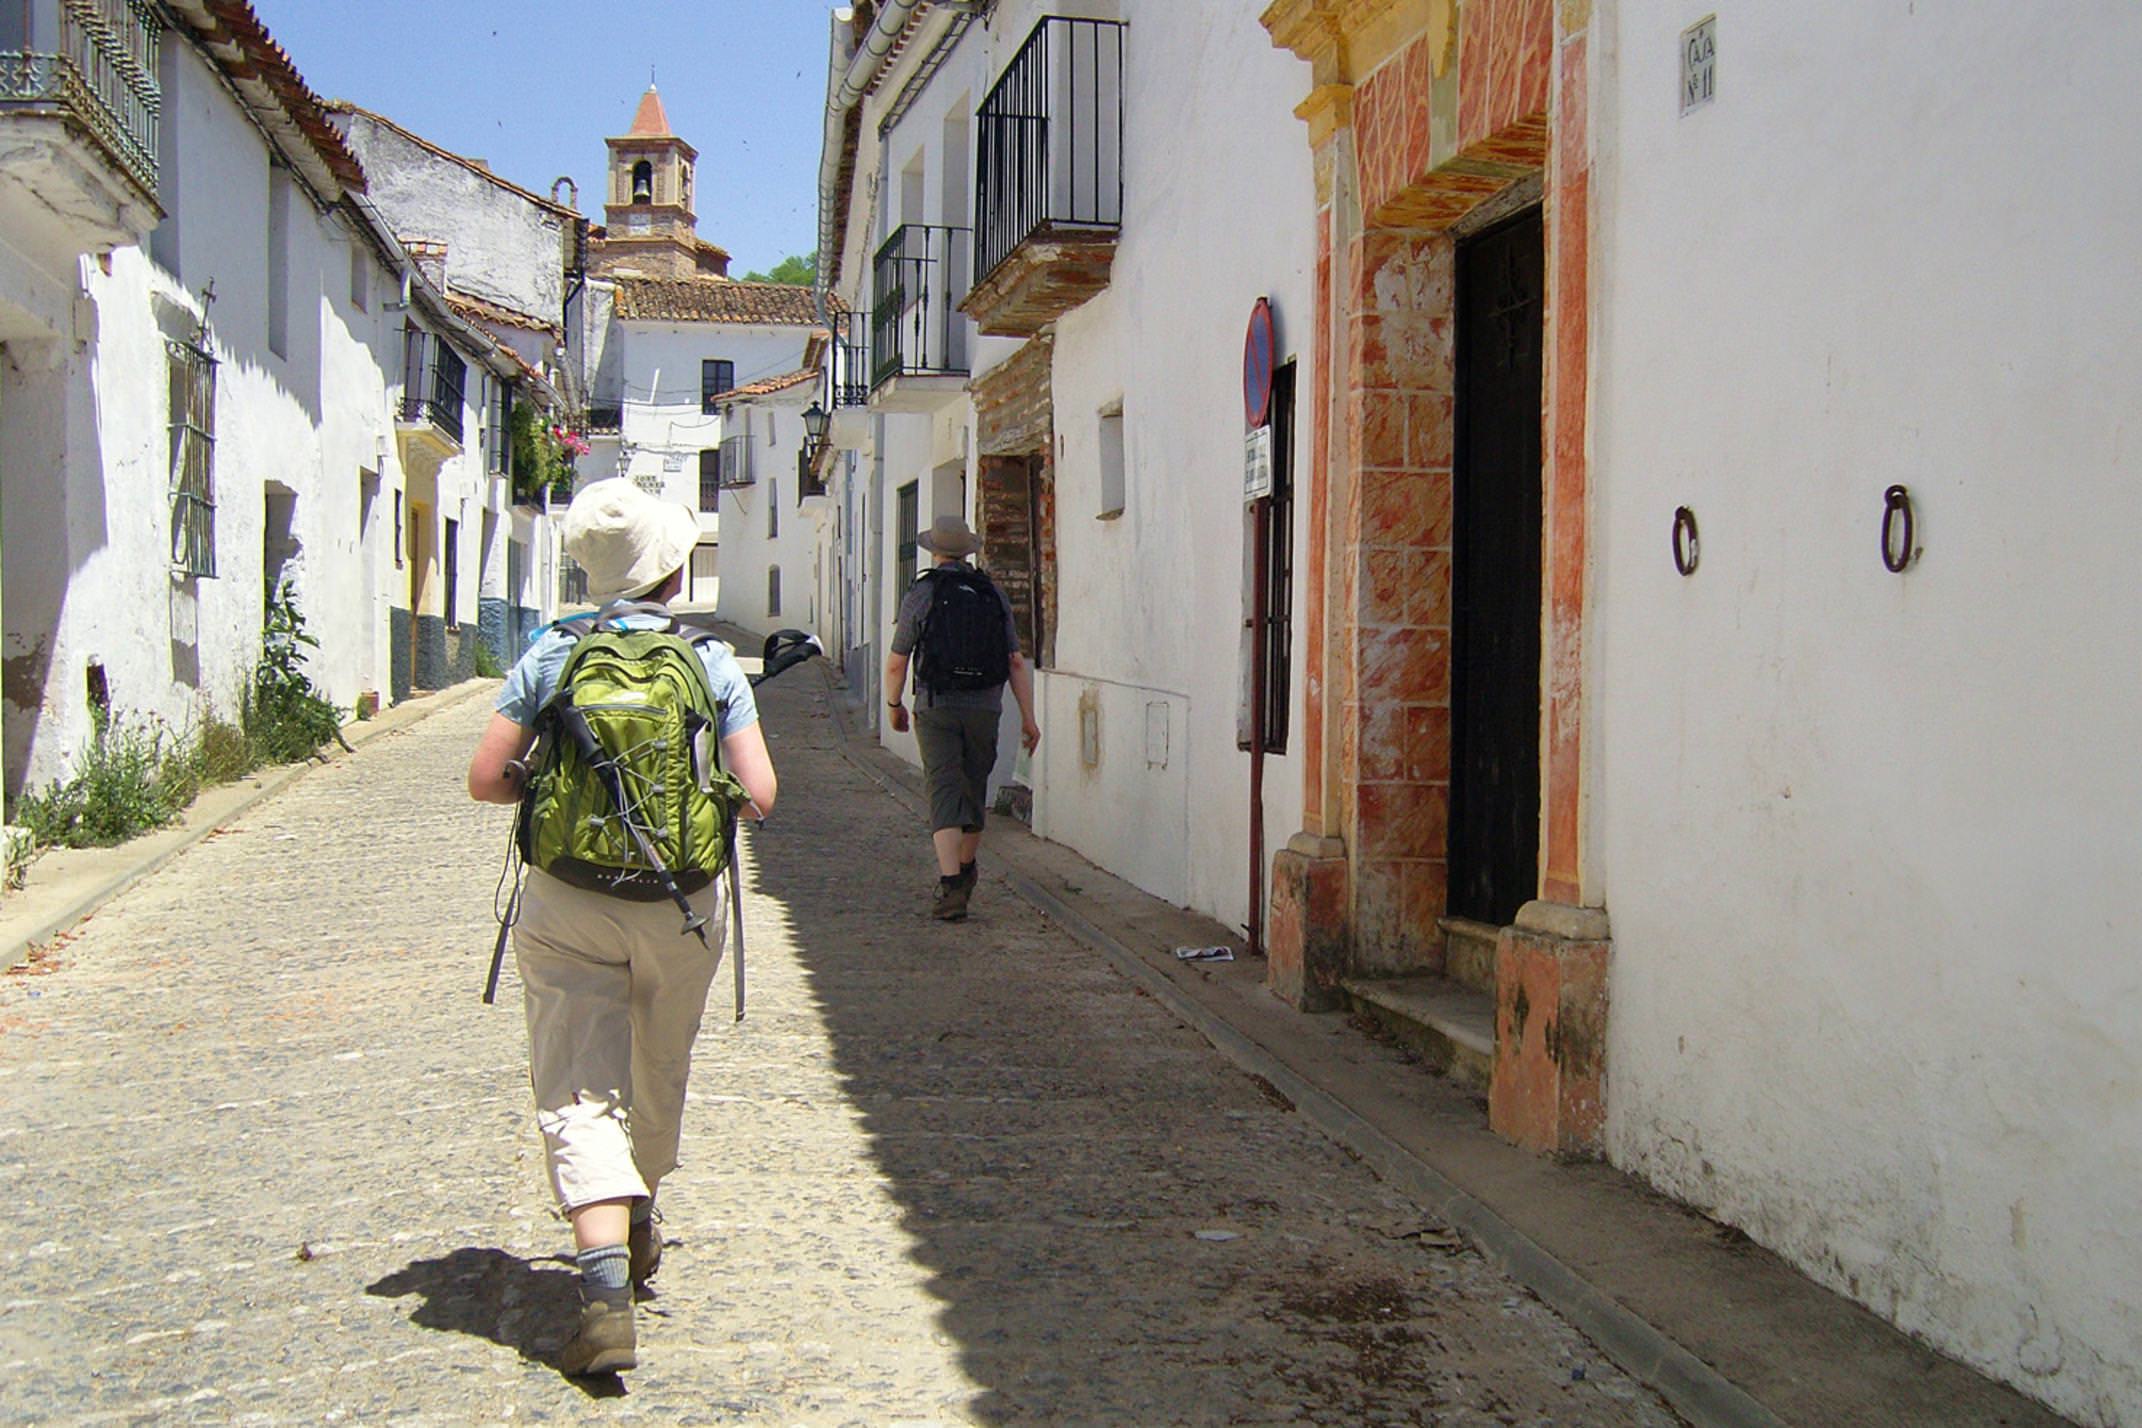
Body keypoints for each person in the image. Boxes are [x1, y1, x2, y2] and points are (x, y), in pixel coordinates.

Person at [466, 480, 776, 1377]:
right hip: (682, 905)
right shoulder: (710, 664)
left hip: (566, 897)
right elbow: (759, 795)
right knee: (658, 1064)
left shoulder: (550, 657)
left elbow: (487, 778)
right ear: (673, 571)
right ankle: (639, 1220)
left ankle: (600, 1288)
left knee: (577, 1082)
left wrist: (553, 784)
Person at [884, 515, 1040, 920]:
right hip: (985, 707)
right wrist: (1028, 717)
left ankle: (952, 885)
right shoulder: (991, 593)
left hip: (936, 705)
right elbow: (1015, 661)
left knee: (943, 789)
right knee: (973, 788)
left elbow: (897, 661)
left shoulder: (923, 592)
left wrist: (894, 705)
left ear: (934, 551)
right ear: (967, 552)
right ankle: (966, 868)